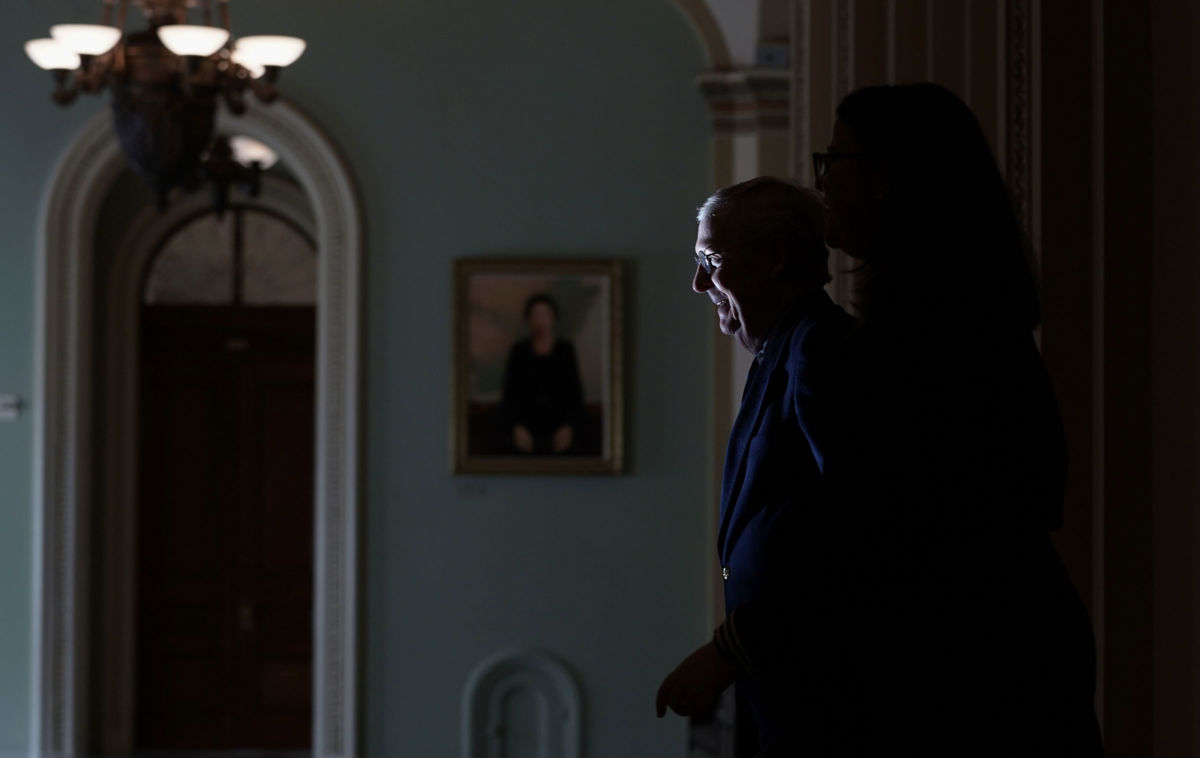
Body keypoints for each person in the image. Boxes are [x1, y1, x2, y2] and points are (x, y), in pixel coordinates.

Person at [815, 82, 1104, 755]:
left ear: (884, 179)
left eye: (835, 162)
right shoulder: (968, 329)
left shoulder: (929, 345)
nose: (822, 184)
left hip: (961, 682)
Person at [655, 177, 855, 755]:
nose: (699, 284)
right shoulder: (780, 351)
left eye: (711, 261)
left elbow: (847, 527)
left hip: (824, 694)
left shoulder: (819, 350)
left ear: (773, 259)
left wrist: (732, 649)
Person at [500, 293, 585, 454]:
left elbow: (574, 391)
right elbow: (510, 392)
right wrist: (517, 426)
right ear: (528, 319)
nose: (541, 320)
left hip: (559, 424)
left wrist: (568, 426)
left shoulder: (565, 350)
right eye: (536, 314)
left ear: (553, 318)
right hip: (525, 425)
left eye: (546, 314)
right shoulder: (520, 351)